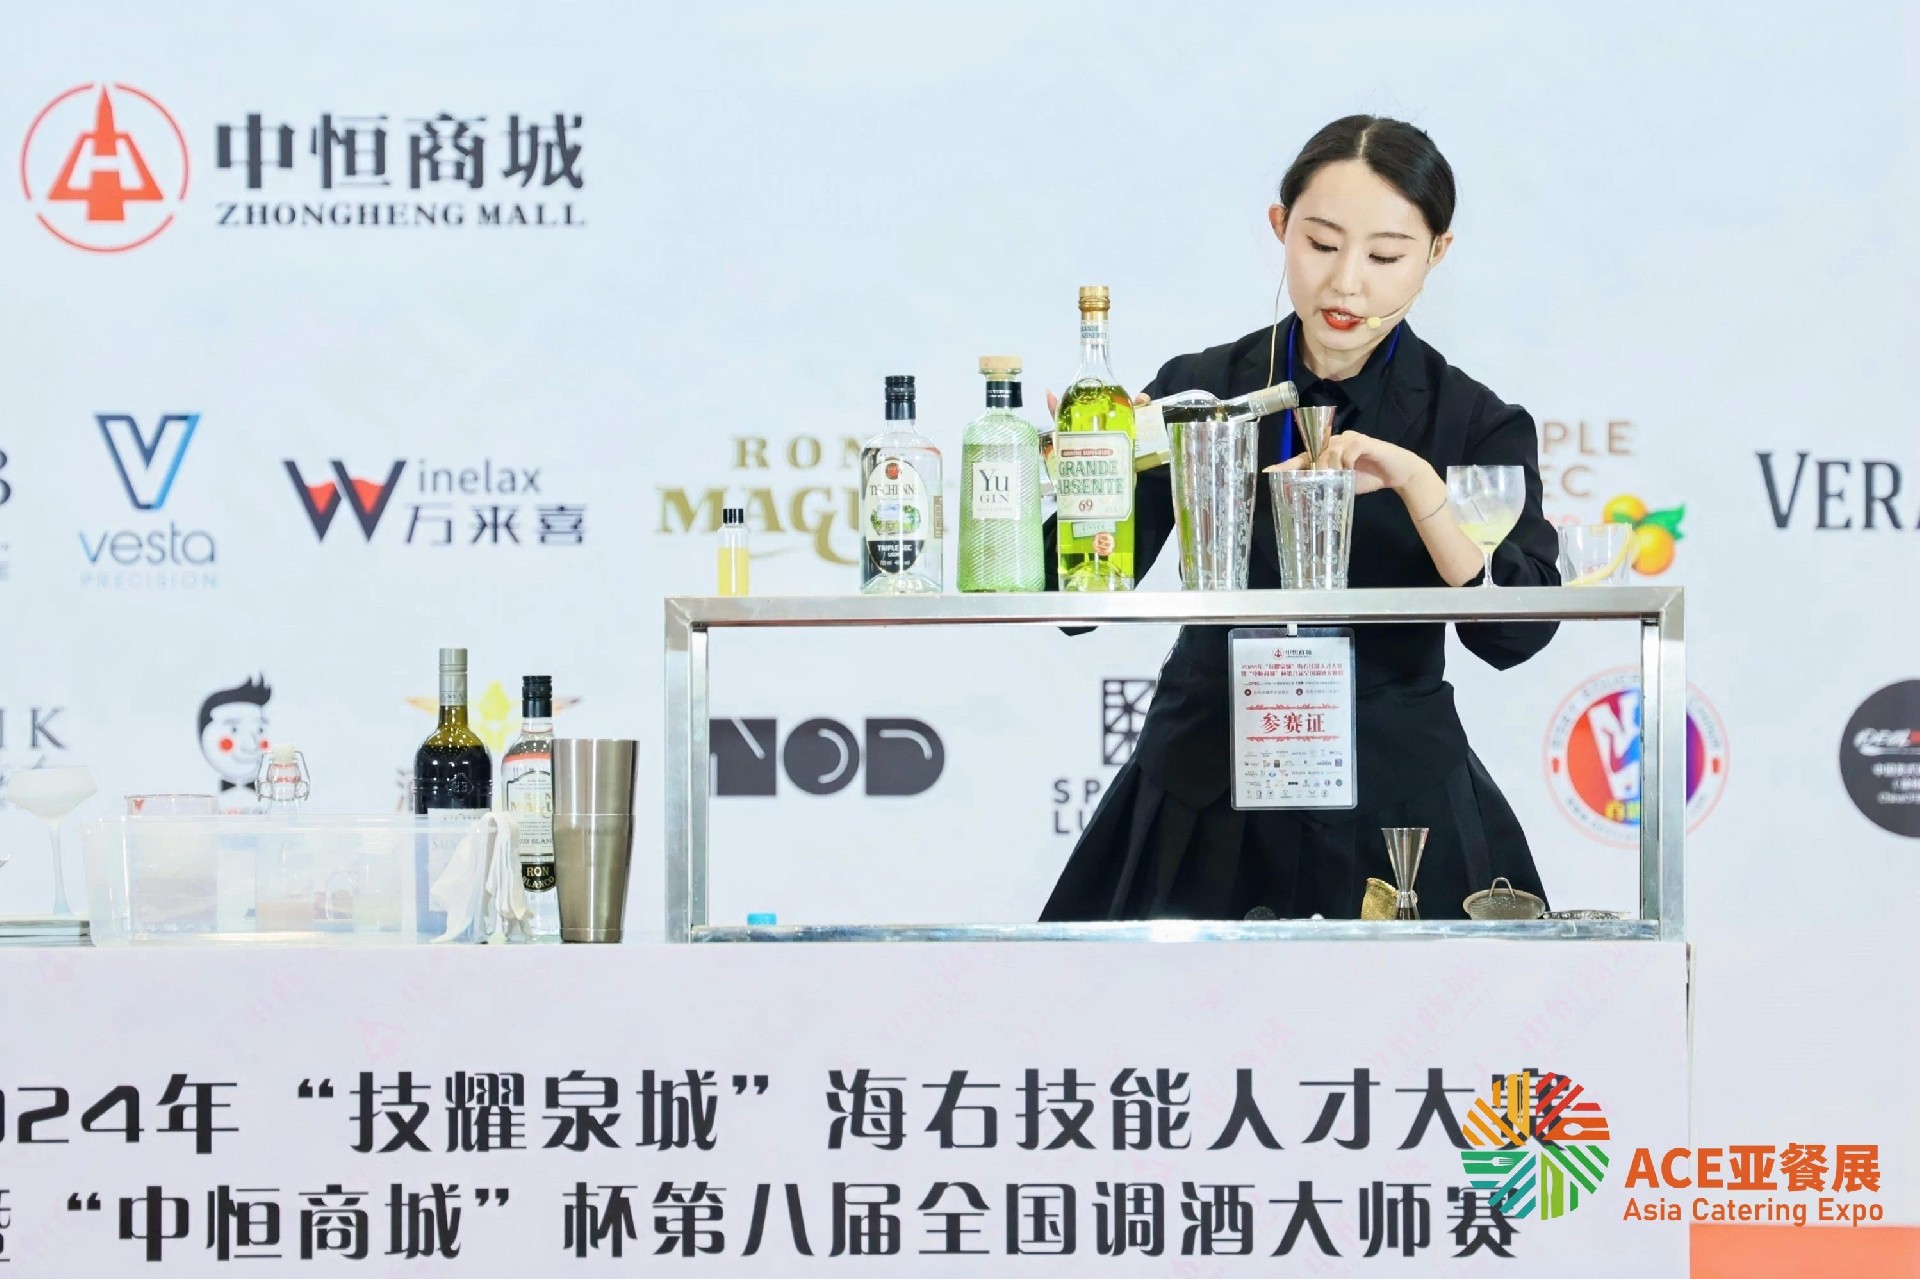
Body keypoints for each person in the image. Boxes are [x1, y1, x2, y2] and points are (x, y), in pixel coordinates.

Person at [1042, 115, 1560, 922]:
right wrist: (1088, 479)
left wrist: (1420, 485)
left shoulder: (1472, 421)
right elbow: (1072, 605)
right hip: (1203, 791)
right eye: (1321, 244)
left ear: (1437, 253)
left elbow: (1515, 634)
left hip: (1394, 803)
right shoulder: (1200, 391)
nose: (1347, 283)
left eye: (1385, 256)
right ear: (1280, 227)